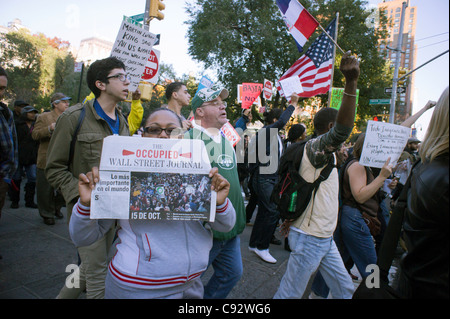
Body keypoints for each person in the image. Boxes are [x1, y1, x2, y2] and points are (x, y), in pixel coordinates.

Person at [69, 107, 236, 299]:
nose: (164, 136)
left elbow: (226, 225)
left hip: (191, 284)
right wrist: (86, 205)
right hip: (138, 288)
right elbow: (83, 238)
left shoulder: (199, 169)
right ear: (143, 134)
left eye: (172, 130)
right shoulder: (122, 170)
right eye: (154, 130)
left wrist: (220, 203)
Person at [274, 51, 360, 299]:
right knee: (289, 294)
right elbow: (343, 130)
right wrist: (351, 82)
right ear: (331, 128)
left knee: (344, 290)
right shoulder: (316, 148)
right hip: (311, 238)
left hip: (324, 237)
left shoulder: (328, 154)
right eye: (340, 131)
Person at [45, 57, 131, 299]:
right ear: (100, 84)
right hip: (87, 213)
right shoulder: (74, 117)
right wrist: (81, 197)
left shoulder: (123, 122)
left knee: (86, 269)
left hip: (113, 211)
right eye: (120, 77)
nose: (127, 82)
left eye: (127, 77)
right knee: (97, 276)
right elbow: (54, 168)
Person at [187, 86, 246, 299]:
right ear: (200, 112)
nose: (222, 105)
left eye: (222, 102)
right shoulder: (189, 141)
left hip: (230, 229)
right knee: (187, 281)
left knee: (231, 274)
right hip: (207, 230)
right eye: (214, 103)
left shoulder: (225, 140)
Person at [397, 87, 449, 299]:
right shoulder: (441, 178)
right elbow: (398, 130)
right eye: (411, 143)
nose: (412, 145)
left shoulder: (425, 167)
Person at [248, 98, 300, 263]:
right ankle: (262, 247)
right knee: (272, 211)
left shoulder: (275, 136)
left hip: (269, 178)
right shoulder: (267, 131)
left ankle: (254, 244)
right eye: (282, 120)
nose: (285, 123)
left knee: (265, 211)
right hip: (264, 178)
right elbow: (283, 121)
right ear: (275, 121)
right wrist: (293, 104)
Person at [32, 93, 70, 225]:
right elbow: (35, 135)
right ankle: (47, 213)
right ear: (55, 104)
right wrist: (49, 128)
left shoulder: (69, 117)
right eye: (64, 102)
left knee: (65, 189)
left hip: (64, 160)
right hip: (46, 159)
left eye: (67, 102)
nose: (67, 104)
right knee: (44, 190)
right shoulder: (44, 117)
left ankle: (55, 207)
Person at [9, 105, 39, 209]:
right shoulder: (17, 124)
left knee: (32, 178)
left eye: (34, 113)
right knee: (16, 178)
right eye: (30, 112)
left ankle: (29, 201)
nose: (33, 114)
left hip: (31, 156)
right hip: (18, 155)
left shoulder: (36, 125)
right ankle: (15, 201)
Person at [0, 66, 18, 222]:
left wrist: (6, 176)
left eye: (2, 89)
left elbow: (12, 146)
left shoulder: (6, 113)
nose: (0, 92)